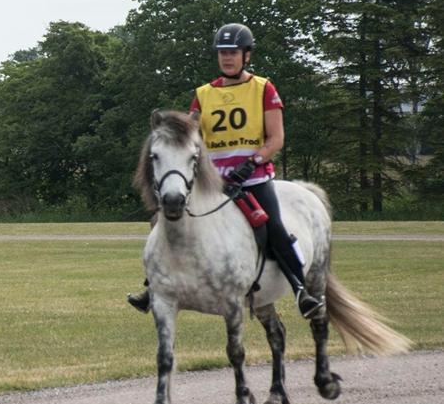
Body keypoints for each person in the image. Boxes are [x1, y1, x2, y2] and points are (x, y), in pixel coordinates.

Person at [126, 23, 325, 318]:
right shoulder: (204, 94)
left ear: (246, 55)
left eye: (233, 52)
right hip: (214, 181)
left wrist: (253, 163)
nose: (227, 58)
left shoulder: (263, 89)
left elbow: (276, 138)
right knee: (163, 221)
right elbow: (191, 138)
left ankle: (300, 289)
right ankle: (154, 286)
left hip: (254, 178)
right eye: (222, 53)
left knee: (275, 229)